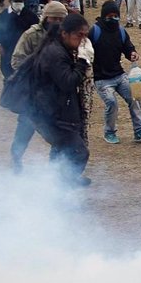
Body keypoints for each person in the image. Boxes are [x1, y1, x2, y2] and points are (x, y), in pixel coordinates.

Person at [29, 13, 91, 185]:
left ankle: (54, 186)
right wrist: (82, 62)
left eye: (86, 35)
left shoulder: (59, 48)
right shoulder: (55, 53)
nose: (83, 40)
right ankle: (64, 187)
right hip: (52, 115)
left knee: (60, 152)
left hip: (52, 112)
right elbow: (68, 82)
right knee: (79, 152)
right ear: (65, 33)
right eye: (80, 35)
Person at [9, 1, 69, 172]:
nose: (56, 22)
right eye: (53, 18)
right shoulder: (32, 35)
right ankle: (16, 160)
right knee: (25, 128)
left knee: (58, 135)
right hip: (32, 94)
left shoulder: (66, 36)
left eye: (60, 18)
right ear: (46, 17)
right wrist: (37, 71)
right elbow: (16, 60)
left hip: (55, 96)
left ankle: (56, 169)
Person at [90, 1, 141, 144]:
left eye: (116, 16)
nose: (113, 19)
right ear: (103, 16)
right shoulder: (95, 31)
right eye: (110, 16)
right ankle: (109, 132)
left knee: (134, 98)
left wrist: (132, 53)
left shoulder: (120, 31)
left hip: (119, 75)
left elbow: (128, 47)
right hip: (101, 79)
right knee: (111, 103)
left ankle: (139, 131)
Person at [0, 0, 39, 79]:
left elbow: (37, 33)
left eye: (20, 1)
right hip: (8, 51)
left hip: (26, 53)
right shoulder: (3, 16)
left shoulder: (31, 16)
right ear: (10, 1)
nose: (18, 3)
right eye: (16, 1)